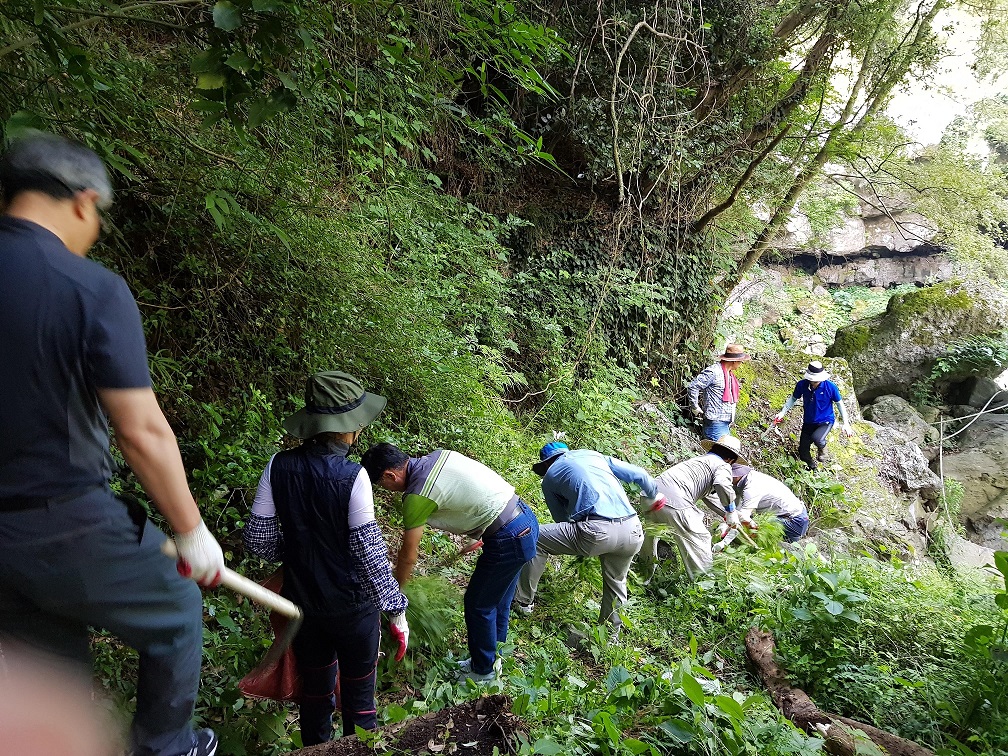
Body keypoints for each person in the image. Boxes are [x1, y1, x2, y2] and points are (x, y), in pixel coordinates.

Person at [0, 133, 225, 756]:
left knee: (51, 672)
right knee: (175, 608)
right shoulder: (89, 289)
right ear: (81, 202)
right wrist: (190, 530)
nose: (94, 229)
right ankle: (167, 748)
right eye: (97, 215)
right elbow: (141, 429)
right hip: (62, 515)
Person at [243, 371, 409, 745]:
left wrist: (300, 555)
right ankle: (359, 752)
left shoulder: (277, 465)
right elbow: (369, 554)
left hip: (303, 610)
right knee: (359, 699)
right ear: (349, 429)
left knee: (315, 695)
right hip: (352, 610)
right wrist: (397, 611)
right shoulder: (354, 477)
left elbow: (257, 538)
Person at [361, 443, 539, 683]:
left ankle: (483, 673)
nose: (389, 489)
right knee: (497, 600)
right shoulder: (438, 457)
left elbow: (408, 556)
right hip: (524, 519)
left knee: (478, 604)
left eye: (384, 485)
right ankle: (491, 657)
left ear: (389, 475)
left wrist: (395, 593)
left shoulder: (417, 495)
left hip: (508, 536)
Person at [513, 442, 658, 636]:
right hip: (633, 530)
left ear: (546, 464)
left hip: (596, 531)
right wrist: (654, 495)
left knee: (536, 538)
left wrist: (580, 546)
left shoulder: (549, 477)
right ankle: (608, 637)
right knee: (616, 582)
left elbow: (561, 519)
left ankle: (523, 602)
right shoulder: (594, 456)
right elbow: (639, 475)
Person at [638, 435, 746, 582]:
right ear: (730, 460)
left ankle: (641, 576)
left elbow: (710, 497)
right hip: (674, 501)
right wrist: (731, 510)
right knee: (700, 539)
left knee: (650, 537)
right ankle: (705, 586)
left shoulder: (699, 462)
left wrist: (730, 514)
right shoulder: (723, 465)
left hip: (649, 496)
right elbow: (722, 484)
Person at [772, 361, 854, 470]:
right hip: (809, 421)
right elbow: (793, 398)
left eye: (816, 381)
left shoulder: (830, 387)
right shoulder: (802, 385)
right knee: (803, 452)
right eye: (812, 381)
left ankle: (823, 449)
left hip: (825, 421)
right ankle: (812, 468)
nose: (814, 383)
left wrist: (846, 424)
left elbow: (840, 405)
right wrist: (782, 412)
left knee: (818, 439)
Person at [687, 344, 751, 441]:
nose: (741, 364)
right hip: (714, 423)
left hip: (725, 423)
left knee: (727, 453)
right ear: (734, 361)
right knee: (722, 453)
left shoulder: (729, 375)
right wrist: (695, 407)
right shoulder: (714, 372)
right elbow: (693, 386)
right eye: (741, 361)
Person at [731, 464, 809, 542]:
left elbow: (743, 516)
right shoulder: (749, 476)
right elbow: (735, 504)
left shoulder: (751, 488)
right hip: (795, 513)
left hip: (794, 520)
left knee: (758, 526)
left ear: (736, 476)